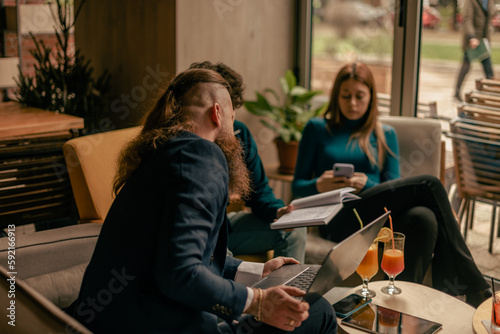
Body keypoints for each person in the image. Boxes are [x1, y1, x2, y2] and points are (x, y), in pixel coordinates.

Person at [70, 68, 337, 333]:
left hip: (111, 320)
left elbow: (176, 255)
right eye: (233, 119)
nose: (235, 133)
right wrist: (259, 301)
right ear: (217, 114)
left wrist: (257, 272)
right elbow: (180, 273)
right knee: (319, 309)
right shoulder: (202, 154)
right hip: (157, 324)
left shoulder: (161, 154)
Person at [292, 62, 492, 307]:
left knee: (424, 217)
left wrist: (367, 184)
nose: (352, 103)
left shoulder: (384, 134)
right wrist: (318, 184)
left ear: (371, 97)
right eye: (345, 96)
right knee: (428, 185)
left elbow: (393, 186)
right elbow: (297, 187)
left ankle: (404, 303)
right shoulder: (316, 129)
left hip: (376, 222)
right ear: (336, 96)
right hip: (337, 221)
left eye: (359, 96)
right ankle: (476, 287)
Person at [189, 61, 307, 263]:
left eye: (233, 112)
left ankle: (289, 291)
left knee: (294, 229)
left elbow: (259, 190)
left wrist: (278, 212)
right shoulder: (187, 144)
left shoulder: (239, 133)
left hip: (228, 227)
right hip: (200, 234)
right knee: (220, 255)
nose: (230, 120)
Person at [454, 0, 496, 101]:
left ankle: (493, 94)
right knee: (466, 66)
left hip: (483, 39)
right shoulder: (471, 1)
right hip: (473, 41)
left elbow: (491, 13)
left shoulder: (489, 1)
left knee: (487, 68)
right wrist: (472, 37)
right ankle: (456, 92)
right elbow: (467, 19)